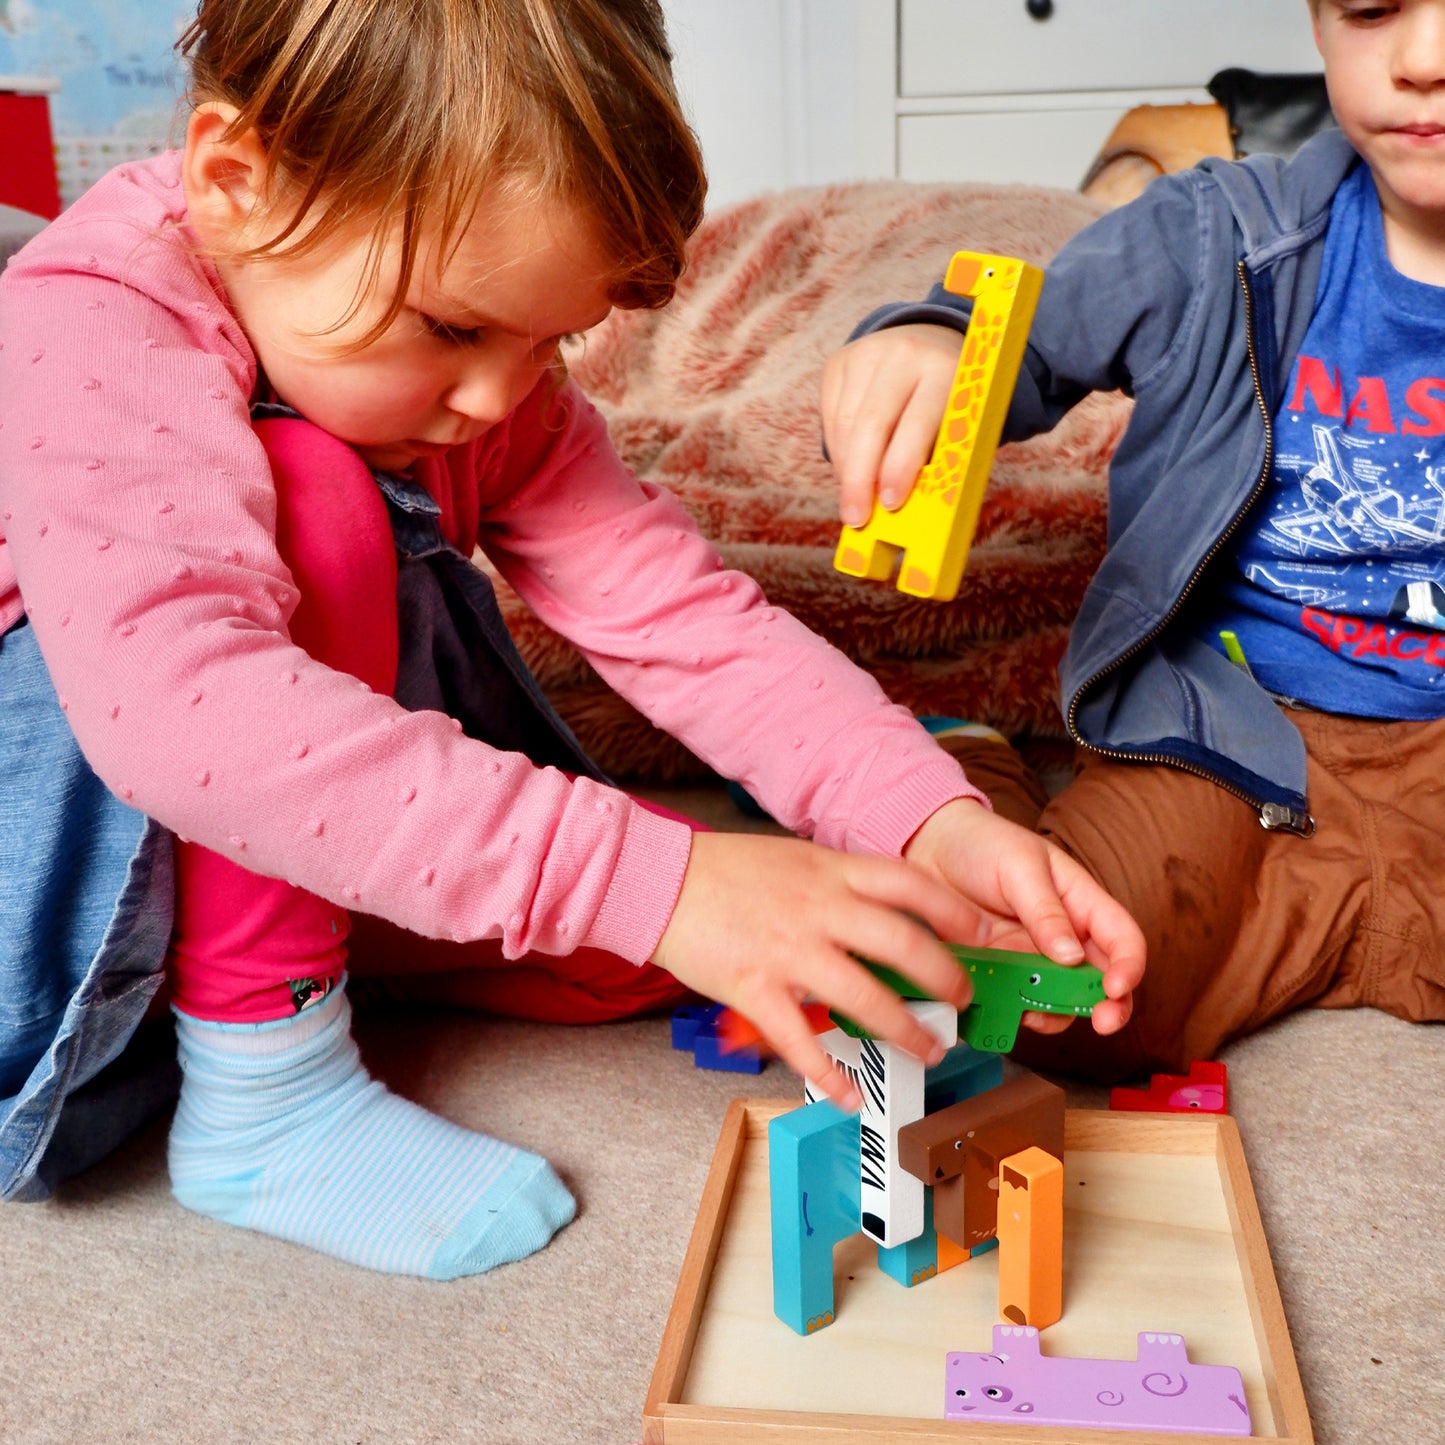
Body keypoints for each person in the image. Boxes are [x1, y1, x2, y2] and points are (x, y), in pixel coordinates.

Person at [0, 0, 1143, 1279]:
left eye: (552, 340)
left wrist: (928, 818)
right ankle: (265, 1093)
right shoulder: (88, 317)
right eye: (453, 328)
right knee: (327, 503)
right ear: (232, 183)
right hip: (46, 907)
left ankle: (291, 972)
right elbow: (181, 711)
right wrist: (665, 883)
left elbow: (682, 620)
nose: (501, 395)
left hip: (248, 833)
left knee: (673, 951)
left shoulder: (496, 387)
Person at [822, 0, 1445, 1086]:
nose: (1420, 60)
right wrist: (927, 339)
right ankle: (966, 764)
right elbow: (1013, 340)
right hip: (1231, 731)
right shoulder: (1216, 236)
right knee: (1047, 989)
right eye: (1371, 8)